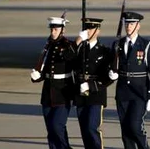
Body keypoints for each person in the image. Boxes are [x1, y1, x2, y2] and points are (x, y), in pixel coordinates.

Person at [109, 11, 150, 149]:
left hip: (139, 93)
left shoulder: (147, 45)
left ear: (138, 26)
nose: (128, 26)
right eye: (127, 24)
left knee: (135, 126)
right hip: (123, 93)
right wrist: (111, 73)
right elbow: (111, 64)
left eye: (131, 24)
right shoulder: (117, 44)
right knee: (125, 129)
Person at [30, 16, 76, 149]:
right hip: (48, 92)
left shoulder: (68, 45)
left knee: (57, 126)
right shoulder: (48, 45)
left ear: (63, 30)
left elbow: (70, 58)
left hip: (63, 92)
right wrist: (37, 76)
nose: (53, 33)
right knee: (51, 129)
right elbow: (45, 67)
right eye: (52, 30)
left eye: (56, 30)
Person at [74, 17, 114, 149]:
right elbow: (67, 58)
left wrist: (91, 85)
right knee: (84, 130)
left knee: (92, 128)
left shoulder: (104, 51)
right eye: (86, 28)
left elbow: (109, 76)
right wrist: (78, 40)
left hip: (96, 94)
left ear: (98, 31)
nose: (88, 31)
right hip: (80, 93)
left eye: (91, 29)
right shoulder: (79, 48)